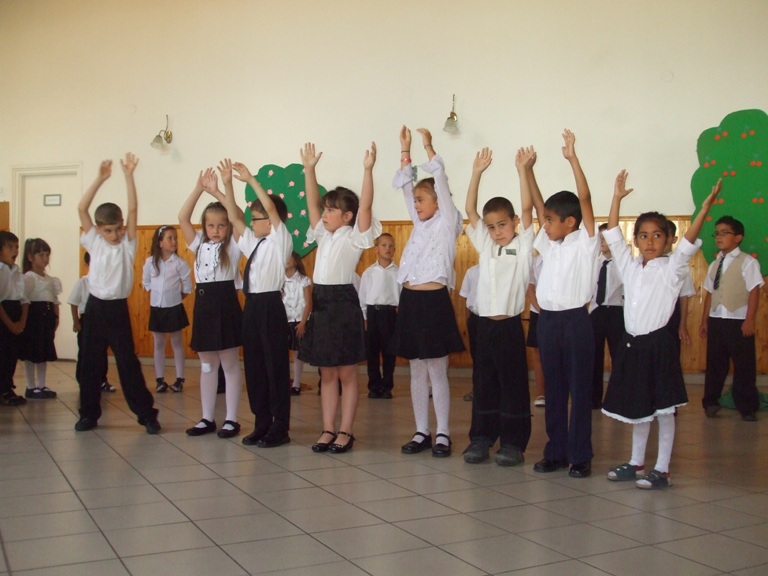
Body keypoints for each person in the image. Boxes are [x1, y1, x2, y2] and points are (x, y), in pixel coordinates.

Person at [602, 172, 721, 489]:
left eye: (657, 235)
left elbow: (688, 244)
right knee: (639, 408)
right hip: (633, 345)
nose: (650, 242)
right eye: (643, 236)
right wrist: (616, 198)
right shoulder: (629, 267)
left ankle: (663, 468)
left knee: (664, 410)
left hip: (659, 346)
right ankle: (636, 462)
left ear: (668, 239)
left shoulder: (672, 269)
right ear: (636, 240)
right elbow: (613, 234)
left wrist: (705, 208)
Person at [526, 130, 598, 478]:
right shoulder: (549, 243)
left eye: (551, 220)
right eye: (545, 220)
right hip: (548, 321)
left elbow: (584, 197)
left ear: (570, 222)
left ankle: (580, 454)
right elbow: (539, 204)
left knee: (579, 389)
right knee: (552, 389)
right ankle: (555, 450)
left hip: (576, 321)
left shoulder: (585, 242)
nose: (545, 224)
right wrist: (528, 171)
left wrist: (572, 159)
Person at [299, 141, 380, 454]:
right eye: (326, 208)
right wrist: (309, 170)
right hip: (321, 302)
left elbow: (366, 208)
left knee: (346, 372)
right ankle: (328, 428)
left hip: (343, 302)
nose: (325, 214)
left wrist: (368, 171)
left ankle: (346, 430)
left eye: (332, 210)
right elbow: (312, 205)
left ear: (347, 216)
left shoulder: (354, 237)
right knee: (327, 372)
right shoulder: (323, 234)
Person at [392, 126, 465, 458]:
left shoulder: (448, 221)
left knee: (437, 368)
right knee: (417, 369)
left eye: (422, 199)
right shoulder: (419, 223)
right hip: (411, 299)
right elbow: (406, 187)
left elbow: (442, 183)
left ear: (438, 200)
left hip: (434, 301)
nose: (416, 203)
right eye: (416, 200)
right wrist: (405, 150)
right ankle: (422, 430)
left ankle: (443, 433)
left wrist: (428, 147)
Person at [75, 154, 160, 434]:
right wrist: (100, 178)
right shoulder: (94, 241)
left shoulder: (128, 245)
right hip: (95, 307)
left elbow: (133, 209)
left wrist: (128, 175)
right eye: (108, 231)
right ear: (99, 229)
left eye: (118, 229)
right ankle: (88, 414)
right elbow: (82, 208)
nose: (114, 235)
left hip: (117, 310)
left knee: (127, 363)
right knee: (90, 363)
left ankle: (146, 414)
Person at [461, 146, 534, 466]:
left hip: (508, 326)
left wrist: (522, 171)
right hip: (484, 325)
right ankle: (481, 438)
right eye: (491, 227)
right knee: (484, 383)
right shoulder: (486, 245)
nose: (496, 232)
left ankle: (513, 443)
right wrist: (476, 172)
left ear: (514, 222)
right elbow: (470, 209)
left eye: (502, 225)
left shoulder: (523, 245)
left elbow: (528, 208)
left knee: (512, 385)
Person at [223, 159, 294, 447]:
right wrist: (225, 185)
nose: (251, 223)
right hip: (252, 306)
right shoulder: (256, 242)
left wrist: (251, 180)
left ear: (270, 221)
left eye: (256, 218)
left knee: (275, 366)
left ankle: (280, 426)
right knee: (254, 366)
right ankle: (262, 421)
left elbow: (271, 209)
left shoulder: (280, 240)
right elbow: (233, 218)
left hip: (270, 307)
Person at [179, 168, 243, 439]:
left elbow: (238, 215)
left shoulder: (234, 246)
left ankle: (231, 419)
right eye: (211, 225)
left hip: (225, 305)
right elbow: (183, 217)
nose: (216, 230)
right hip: (204, 307)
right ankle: (207, 417)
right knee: (207, 365)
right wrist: (199, 189)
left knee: (229, 364)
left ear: (228, 227)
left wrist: (218, 191)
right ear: (204, 227)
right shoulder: (198, 245)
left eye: (221, 225)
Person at [699, 215, 764, 422]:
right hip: (717, 319)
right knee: (715, 364)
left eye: (724, 233)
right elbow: (710, 293)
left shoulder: (748, 262)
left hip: (738, 321)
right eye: (717, 233)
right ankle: (711, 402)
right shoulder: (714, 264)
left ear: (738, 237)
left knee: (744, 365)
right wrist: (704, 320)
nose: (719, 237)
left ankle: (747, 406)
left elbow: (754, 291)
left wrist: (749, 319)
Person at [141, 225, 192, 393]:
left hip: (174, 308)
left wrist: (175, 299)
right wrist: (156, 296)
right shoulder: (150, 262)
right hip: (157, 308)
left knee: (177, 342)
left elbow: (187, 286)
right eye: (170, 238)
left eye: (175, 238)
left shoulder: (179, 263)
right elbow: (146, 282)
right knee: (159, 343)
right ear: (160, 242)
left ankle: (179, 379)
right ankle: (160, 380)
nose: (174, 241)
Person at [359, 232, 400, 399]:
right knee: (372, 352)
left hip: (391, 314)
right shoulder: (369, 272)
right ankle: (374, 386)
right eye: (384, 245)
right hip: (372, 313)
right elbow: (362, 297)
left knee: (389, 352)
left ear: (394, 250)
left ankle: (387, 386)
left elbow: (402, 296)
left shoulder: (399, 272)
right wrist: (365, 319)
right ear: (376, 249)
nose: (387, 249)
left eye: (391, 246)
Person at [19, 238, 61, 399]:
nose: (45, 258)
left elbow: (54, 300)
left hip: (46, 319)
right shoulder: (29, 277)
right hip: (33, 319)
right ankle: (31, 386)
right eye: (41, 255)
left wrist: (56, 317)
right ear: (31, 257)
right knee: (31, 353)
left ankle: (42, 385)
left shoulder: (50, 279)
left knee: (43, 352)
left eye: (47, 255)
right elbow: (24, 299)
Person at [588, 223, 624, 409]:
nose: (602, 242)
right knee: (594, 356)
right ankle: (594, 399)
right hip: (596, 312)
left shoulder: (623, 264)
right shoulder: (595, 262)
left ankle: (618, 399)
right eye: (600, 238)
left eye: (606, 239)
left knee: (618, 356)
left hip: (616, 311)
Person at [68, 252, 116, 394]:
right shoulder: (83, 282)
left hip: (102, 320)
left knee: (101, 352)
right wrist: (76, 322)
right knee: (85, 351)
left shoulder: (106, 282)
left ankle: (102, 380)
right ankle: (83, 380)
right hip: (86, 319)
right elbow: (73, 302)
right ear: (87, 264)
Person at [0, 231, 28, 406]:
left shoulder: (17, 271)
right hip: (3, 315)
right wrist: (10, 324)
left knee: (12, 354)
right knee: (2, 353)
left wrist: (21, 322)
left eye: (16, 247)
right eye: (10, 247)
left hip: (16, 312)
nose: (15, 251)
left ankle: (7, 387)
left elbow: (24, 299)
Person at [664, 220, 695, 360]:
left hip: (672, 317)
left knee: (670, 357)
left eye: (667, 235)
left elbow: (684, 297)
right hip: (648, 319)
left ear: (674, 239)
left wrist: (682, 325)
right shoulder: (644, 262)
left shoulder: (679, 265)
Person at [283, 251, 312, 396]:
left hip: (299, 321)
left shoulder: (304, 280)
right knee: (282, 353)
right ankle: (283, 382)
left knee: (297, 353)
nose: (286, 260)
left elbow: (308, 303)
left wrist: (303, 322)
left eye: (289, 257)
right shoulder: (279, 281)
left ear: (296, 261)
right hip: (284, 321)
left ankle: (296, 384)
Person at [526, 255, 546, 408]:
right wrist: (540, 310)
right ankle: (541, 393)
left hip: (558, 310)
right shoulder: (533, 261)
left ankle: (557, 391)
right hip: (538, 311)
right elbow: (530, 288)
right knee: (538, 352)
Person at [459, 264, 479, 402]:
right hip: (476, 318)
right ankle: (477, 390)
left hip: (496, 317)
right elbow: (466, 297)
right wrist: (468, 321)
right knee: (477, 356)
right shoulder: (472, 272)